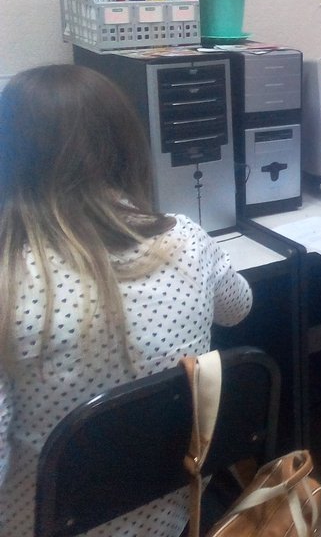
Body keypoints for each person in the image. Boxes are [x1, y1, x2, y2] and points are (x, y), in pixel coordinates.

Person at [0, 64, 252, 537]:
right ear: (127, 147)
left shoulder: (11, 281)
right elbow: (238, 308)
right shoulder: (187, 238)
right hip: (176, 511)